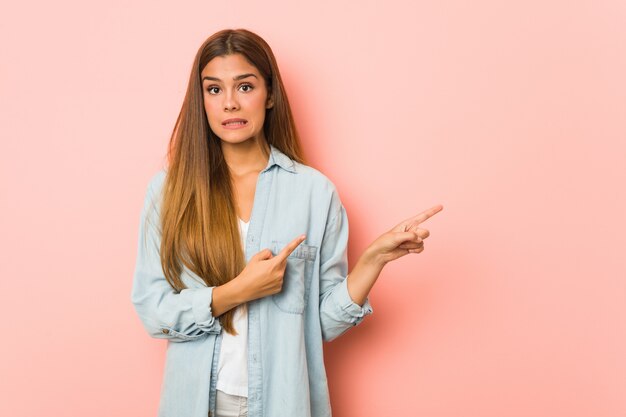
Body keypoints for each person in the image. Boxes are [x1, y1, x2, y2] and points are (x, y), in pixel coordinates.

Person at [131, 28, 443, 417]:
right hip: (195, 404)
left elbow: (320, 327)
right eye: (214, 90)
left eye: (244, 87)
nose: (229, 103)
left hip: (284, 403)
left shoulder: (315, 193)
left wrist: (372, 261)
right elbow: (152, 310)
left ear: (270, 93)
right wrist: (235, 291)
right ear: (202, 100)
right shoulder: (168, 191)